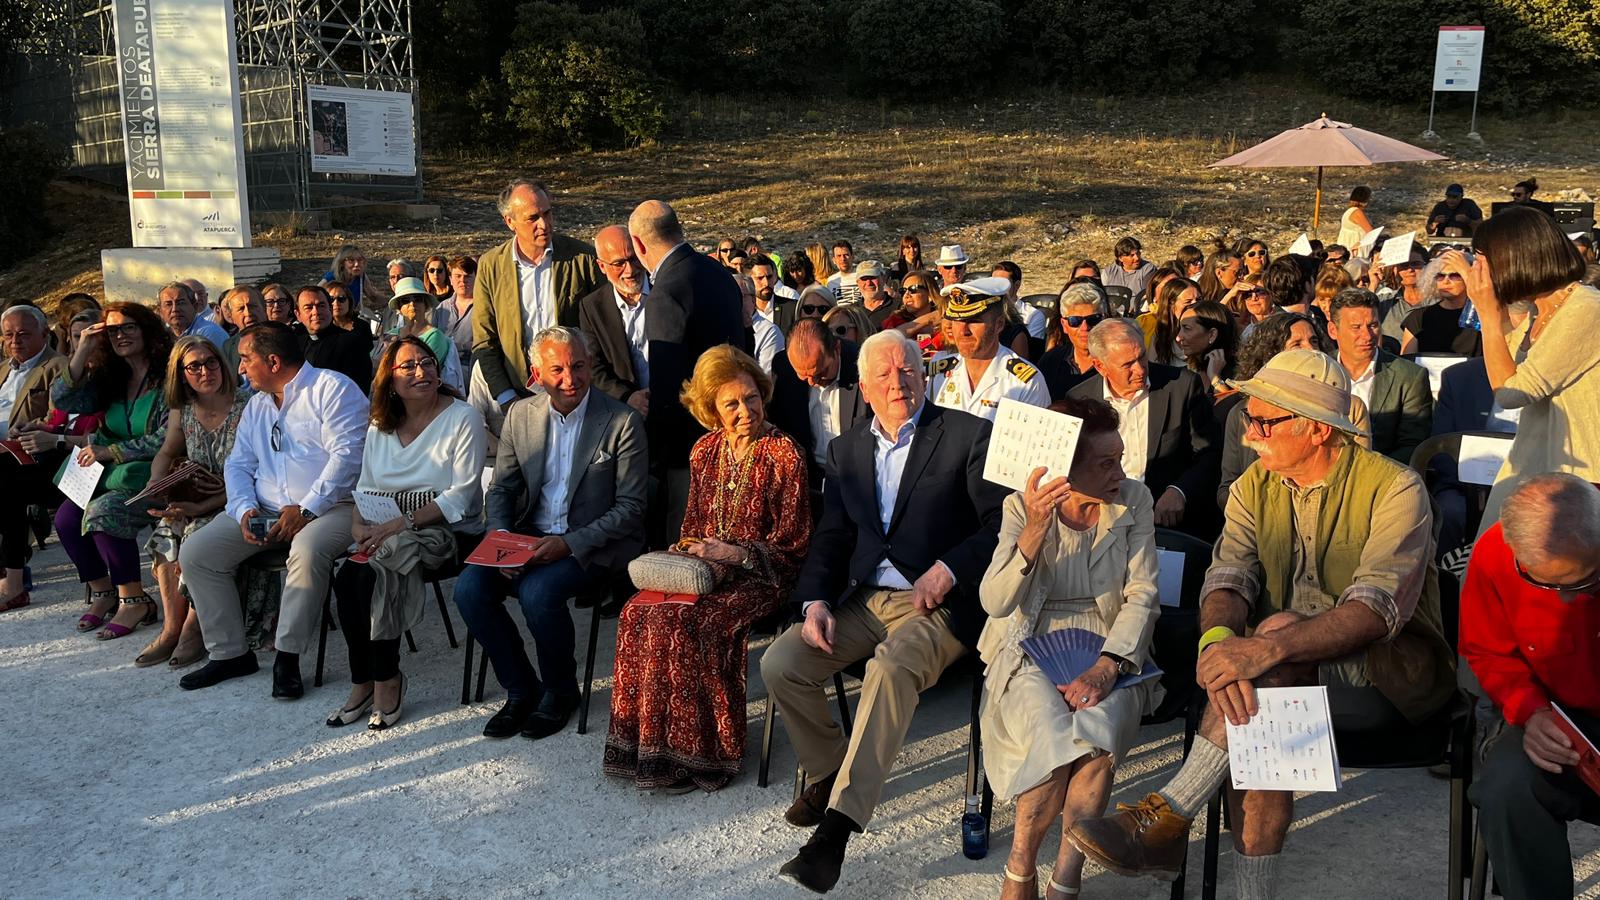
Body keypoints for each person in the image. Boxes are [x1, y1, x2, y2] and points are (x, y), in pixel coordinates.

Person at [1067, 349, 1455, 896]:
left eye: (1264, 421)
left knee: (1272, 651)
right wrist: (1220, 643)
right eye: (1248, 417)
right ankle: (1236, 879)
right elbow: (1227, 578)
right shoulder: (1256, 484)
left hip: (1385, 676)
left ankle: (1169, 815)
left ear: (1318, 430)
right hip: (1276, 679)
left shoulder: (1395, 488)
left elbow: (1375, 612)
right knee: (1265, 691)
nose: (1248, 434)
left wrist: (1261, 650)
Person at [763, 330, 1008, 893]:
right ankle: (830, 773)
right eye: (884, 375)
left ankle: (836, 832)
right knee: (782, 664)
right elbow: (833, 533)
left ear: (926, 376)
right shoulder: (846, 449)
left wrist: (950, 566)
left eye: (908, 371)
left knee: (891, 669)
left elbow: (1000, 525)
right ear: (864, 387)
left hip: (937, 606)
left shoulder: (968, 434)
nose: (898, 383)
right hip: (863, 597)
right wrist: (816, 600)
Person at [604, 344, 809, 791]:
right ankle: (648, 748)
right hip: (704, 569)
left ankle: (704, 755)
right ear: (712, 409)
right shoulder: (704, 451)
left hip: (763, 576)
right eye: (731, 403)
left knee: (693, 620)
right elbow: (693, 525)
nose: (745, 411)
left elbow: (794, 545)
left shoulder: (784, 453)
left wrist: (735, 555)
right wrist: (694, 550)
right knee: (638, 612)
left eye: (751, 398)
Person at [980, 396, 1161, 900]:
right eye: (1106, 463)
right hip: (1030, 642)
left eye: (1120, 458)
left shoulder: (1135, 501)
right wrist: (1036, 528)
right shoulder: (1022, 505)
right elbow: (995, 601)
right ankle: (1020, 864)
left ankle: (1065, 875)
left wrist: (1108, 666)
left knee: (1096, 738)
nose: (1119, 474)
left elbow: (1143, 594)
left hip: (1114, 642)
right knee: (1052, 733)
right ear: (1065, 467)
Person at [454, 326, 647, 738]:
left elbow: (631, 509)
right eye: (557, 369)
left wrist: (569, 544)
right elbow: (502, 488)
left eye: (578, 366)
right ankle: (522, 689)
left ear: (590, 364)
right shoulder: (522, 416)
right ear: (536, 374)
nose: (570, 379)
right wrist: (501, 540)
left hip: (593, 543)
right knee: (469, 590)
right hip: (527, 536)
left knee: (538, 592)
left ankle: (560, 691)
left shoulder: (621, 421)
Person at [178, 322, 366, 697]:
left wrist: (307, 509)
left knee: (307, 549)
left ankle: (288, 655)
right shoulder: (259, 405)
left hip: (336, 507)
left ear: (274, 361)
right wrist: (245, 509)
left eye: (246, 359)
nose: (241, 369)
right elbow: (238, 465)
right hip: (266, 509)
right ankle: (231, 653)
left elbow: (348, 457)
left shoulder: (332, 389)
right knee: (197, 552)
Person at [329, 336, 487, 731]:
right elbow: (364, 487)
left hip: (447, 532)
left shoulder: (462, 417)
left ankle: (387, 679)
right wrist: (358, 527)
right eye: (409, 366)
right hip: (386, 529)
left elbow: (464, 496)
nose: (422, 371)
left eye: (428, 363)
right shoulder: (380, 426)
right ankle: (362, 680)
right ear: (390, 379)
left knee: (378, 570)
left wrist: (400, 523)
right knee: (348, 577)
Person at [1461, 474, 1600, 900]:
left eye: (1582, 584)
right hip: (1558, 716)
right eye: (1544, 582)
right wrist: (1530, 710)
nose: (1562, 599)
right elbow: (1488, 653)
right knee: (1507, 786)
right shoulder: (1495, 553)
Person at [1441, 205, 1599, 527]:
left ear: (1516, 258)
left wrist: (1487, 314)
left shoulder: (1586, 309)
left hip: (1580, 479)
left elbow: (1511, 391)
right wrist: (1496, 311)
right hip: (1536, 464)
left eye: (1484, 261)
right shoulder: (1540, 310)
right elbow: (1508, 364)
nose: (1479, 273)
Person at [138, 335, 264, 668]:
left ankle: (194, 629)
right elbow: (167, 451)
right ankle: (171, 628)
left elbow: (260, 472)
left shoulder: (248, 404)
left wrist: (205, 506)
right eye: (194, 366)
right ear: (181, 374)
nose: (205, 371)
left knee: (196, 537)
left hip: (241, 499)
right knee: (165, 532)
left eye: (210, 362)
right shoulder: (184, 410)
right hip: (198, 498)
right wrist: (156, 482)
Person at [51, 302, 172, 638]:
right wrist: (83, 348)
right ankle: (103, 592)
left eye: (129, 327)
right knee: (65, 519)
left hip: (155, 470)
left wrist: (114, 450)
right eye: (113, 330)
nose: (121, 335)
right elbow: (63, 400)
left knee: (105, 512)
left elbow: (171, 435)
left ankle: (133, 598)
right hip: (109, 470)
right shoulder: (111, 377)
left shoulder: (168, 374)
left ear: (147, 328)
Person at [629, 199, 747, 540]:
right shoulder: (719, 275)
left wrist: (653, 454)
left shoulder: (666, 292)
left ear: (638, 244)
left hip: (687, 450)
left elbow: (668, 391)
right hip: (731, 429)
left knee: (683, 543)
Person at [1067, 318, 1221, 536]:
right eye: (1127, 364)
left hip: (1166, 521)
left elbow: (1210, 452)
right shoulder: (1080, 401)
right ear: (1100, 366)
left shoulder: (1181, 386)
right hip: (1103, 522)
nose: (1139, 370)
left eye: (1141, 357)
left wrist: (1180, 491)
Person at [1216, 312, 1374, 509]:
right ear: (1270, 355)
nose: (1312, 349)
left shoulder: (1348, 408)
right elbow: (1226, 487)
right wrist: (1249, 510)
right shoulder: (1241, 413)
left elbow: (1357, 475)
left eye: (1314, 340)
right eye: (1297, 344)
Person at [473, 178, 604, 408]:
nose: (544, 224)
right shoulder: (491, 265)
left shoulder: (583, 259)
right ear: (510, 222)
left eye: (547, 213)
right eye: (533, 218)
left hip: (577, 393)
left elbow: (603, 331)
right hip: (519, 396)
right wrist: (506, 398)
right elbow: (485, 341)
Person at [0, 305, 68, 611]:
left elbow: (57, 420)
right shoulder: (3, 369)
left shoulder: (57, 367)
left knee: (3, 479)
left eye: (24, 334)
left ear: (44, 334)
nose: (15, 341)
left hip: (34, 458)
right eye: (9, 334)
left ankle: (12, 580)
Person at [1328, 288, 1432, 462]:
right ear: (1332, 330)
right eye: (1356, 327)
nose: (1367, 336)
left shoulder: (1409, 377)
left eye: (1373, 325)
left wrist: (1369, 470)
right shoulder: (1317, 371)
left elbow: (1413, 445)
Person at [767, 318, 867, 494]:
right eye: (803, 376)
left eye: (821, 372)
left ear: (837, 349)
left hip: (858, 479)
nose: (813, 382)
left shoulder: (863, 366)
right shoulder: (783, 369)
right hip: (807, 482)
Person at [927, 278, 1049, 421]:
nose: (963, 331)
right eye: (957, 321)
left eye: (974, 321)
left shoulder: (1026, 383)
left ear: (999, 325)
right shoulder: (939, 374)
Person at [578, 225, 651, 418]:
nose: (630, 270)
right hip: (624, 413)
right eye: (619, 263)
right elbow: (593, 365)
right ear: (602, 266)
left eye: (633, 258)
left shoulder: (667, 290)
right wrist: (627, 396)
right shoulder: (592, 307)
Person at [295, 284, 374, 392]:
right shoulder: (294, 342)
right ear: (298, 315)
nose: (316, 312)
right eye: (308, 307)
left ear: (330, 309)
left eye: (321, 306)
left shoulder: (351, 344)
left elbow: (359, 389)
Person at [388, 277, 462, 391]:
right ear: (399, 307)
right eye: (405, 300)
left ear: (425, 304)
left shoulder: (435, 336)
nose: (412, 304)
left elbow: (425, 369)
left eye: (417, 299)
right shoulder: (391, 334)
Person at [1400, 257, 1481, 356]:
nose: (1446, 281)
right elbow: (1407, 362)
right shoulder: (1419, 318)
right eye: (1440, 276)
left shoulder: (1481, 315)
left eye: (1454, 275)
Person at [1037, 282, 1103, 400]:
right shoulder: (1051, 361)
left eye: (1093, 319)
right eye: (1075, 321)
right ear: (1064, 325)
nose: (1084, 327)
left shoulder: (1117, 364)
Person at [1176, 299, 1237, 395]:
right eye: (1180, 328)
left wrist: (1215, 378)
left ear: (1212, 334)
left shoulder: (1241, 372)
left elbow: (1232, 408)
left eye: (1187, 329)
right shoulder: (1186, 371)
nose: (1178, 338)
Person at [1139, 276, 1199, 366]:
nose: (1195, 305)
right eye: (1188, 302)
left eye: (1199, 300)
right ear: (1171, 303)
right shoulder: (1159, 336)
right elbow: (1154, 370)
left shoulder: (1206, 332)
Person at [433, 255, 477, 371]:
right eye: (458, 276)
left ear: (476, 278)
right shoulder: (442, 308)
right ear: (451, 280)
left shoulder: (485, 307)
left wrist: (455, 346)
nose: (462, 280)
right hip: (443, 369)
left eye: (467, 276)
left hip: (472, 370)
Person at [157, 282, 230, 347]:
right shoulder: (161, 338)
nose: (175, 309)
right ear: (160, 311)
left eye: (181, 303)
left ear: (195, 306)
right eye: (168, 304)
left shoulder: (210, 334)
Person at [738, 273, 785, 374]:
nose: (735, 300)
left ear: (753, 300)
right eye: (731, 295)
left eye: (740, 295)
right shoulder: (724, 327)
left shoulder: (769, 332)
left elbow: (765, 376)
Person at [993, 260, 1047, 343]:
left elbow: (1029, 348)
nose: (996, 287)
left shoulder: (1033, 316)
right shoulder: (987, 311)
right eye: (993, 282)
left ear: (1017, 285)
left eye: (1003, 283)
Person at [219, 286, 265, 374]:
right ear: (231, 317)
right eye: (241, 309)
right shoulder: (228, 346)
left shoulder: (281, 338)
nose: (248, 313)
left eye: (253, 306)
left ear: (264, 308)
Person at [749, 255, 796, 334]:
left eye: (769, 277)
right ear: (749, 280)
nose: (766, 283)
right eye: (760, 278)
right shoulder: (742, 312)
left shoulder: (792, 309)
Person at [1103, 237, 1156, 301]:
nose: (1137, 258)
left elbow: (1146, 297)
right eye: (1132, 255)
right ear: (1121, 258)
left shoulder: (1148, 269)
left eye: (1138, 253)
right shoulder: (1109, 273)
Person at [321, 245, 369, 309]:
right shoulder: (332, 277)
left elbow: (373, 296)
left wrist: (387, 302)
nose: (357, 264)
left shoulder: (360, 277)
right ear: (342, 263)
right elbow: (313, 294)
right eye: (351, 260)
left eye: (360, 260)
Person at [854, 260, 897, 329]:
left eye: (872, 277)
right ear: (857, 282)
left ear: (884, 278)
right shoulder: (852, 311)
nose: (868, 283)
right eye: (864, 279)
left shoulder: (898, 308)